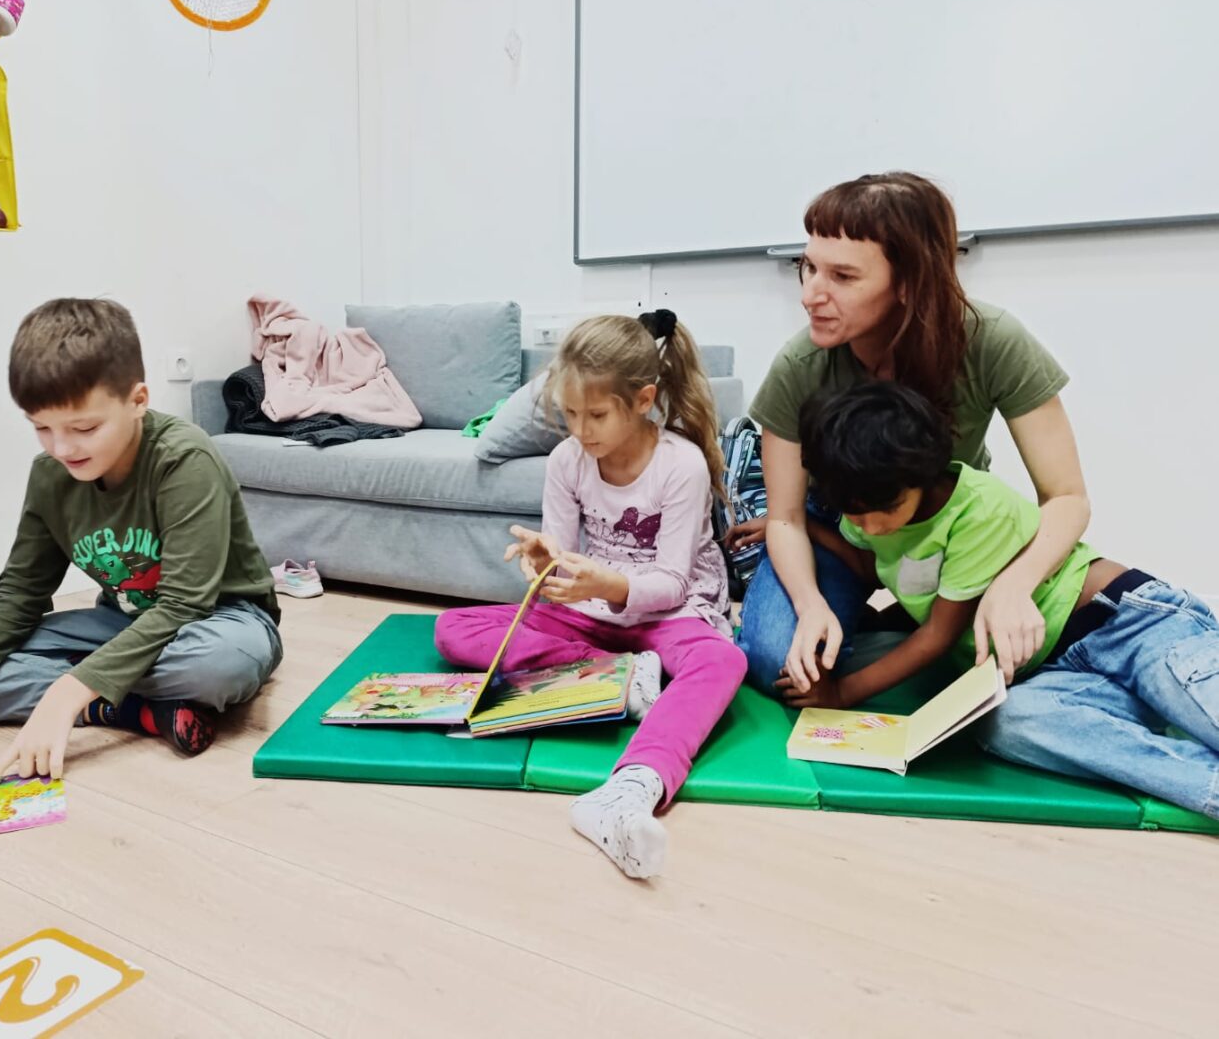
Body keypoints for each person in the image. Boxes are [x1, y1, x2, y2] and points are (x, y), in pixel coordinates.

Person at [0, 298, 283, 778]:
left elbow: (183, 604)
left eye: (85, 427)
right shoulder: (50, 475)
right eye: (42, 428)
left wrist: (65, 692)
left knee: (220, 666)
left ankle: (86, 690)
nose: (62, 448)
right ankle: (128, 709)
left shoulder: (184, 459)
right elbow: (19, 595)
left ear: (137, 401)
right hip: (121, 623)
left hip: (218, 620)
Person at [784, 380, 1219, 822]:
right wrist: (802, 529)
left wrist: (842, 692)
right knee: (1005, 725)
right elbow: (869, 566)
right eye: (855, 514)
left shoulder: (979, 509)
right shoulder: (867, 507)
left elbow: (937, 635)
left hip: (1128, 623)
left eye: (886, 509)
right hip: (1049, 672)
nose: (872, 527)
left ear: (921, 476)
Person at [731, 171, 1089, 690]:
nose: (810, 295)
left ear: (909, 282)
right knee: (780, 663)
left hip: (947, 522)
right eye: (808, 268)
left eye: (842, 276)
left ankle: (901, 628)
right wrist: (810, 607)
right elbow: (785, 518)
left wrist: (1015, 584)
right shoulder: (799, 366)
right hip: (841, 518)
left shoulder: (992, 340)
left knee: (1005, 649)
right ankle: (881, 625)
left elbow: (1068, 497)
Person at [434, 311, 746, 879]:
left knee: (723, 661)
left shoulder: (681, 465)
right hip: (593, 614)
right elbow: (561, 555)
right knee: (453, 628)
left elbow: (673, 583)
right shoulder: (567, 460)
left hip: (669, 611)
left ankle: (631, 788)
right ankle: (626, 678)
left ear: (643, 400)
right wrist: (543, 562)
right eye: (570, 414)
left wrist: (609, 584)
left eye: (596, 415)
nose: (581, 430)